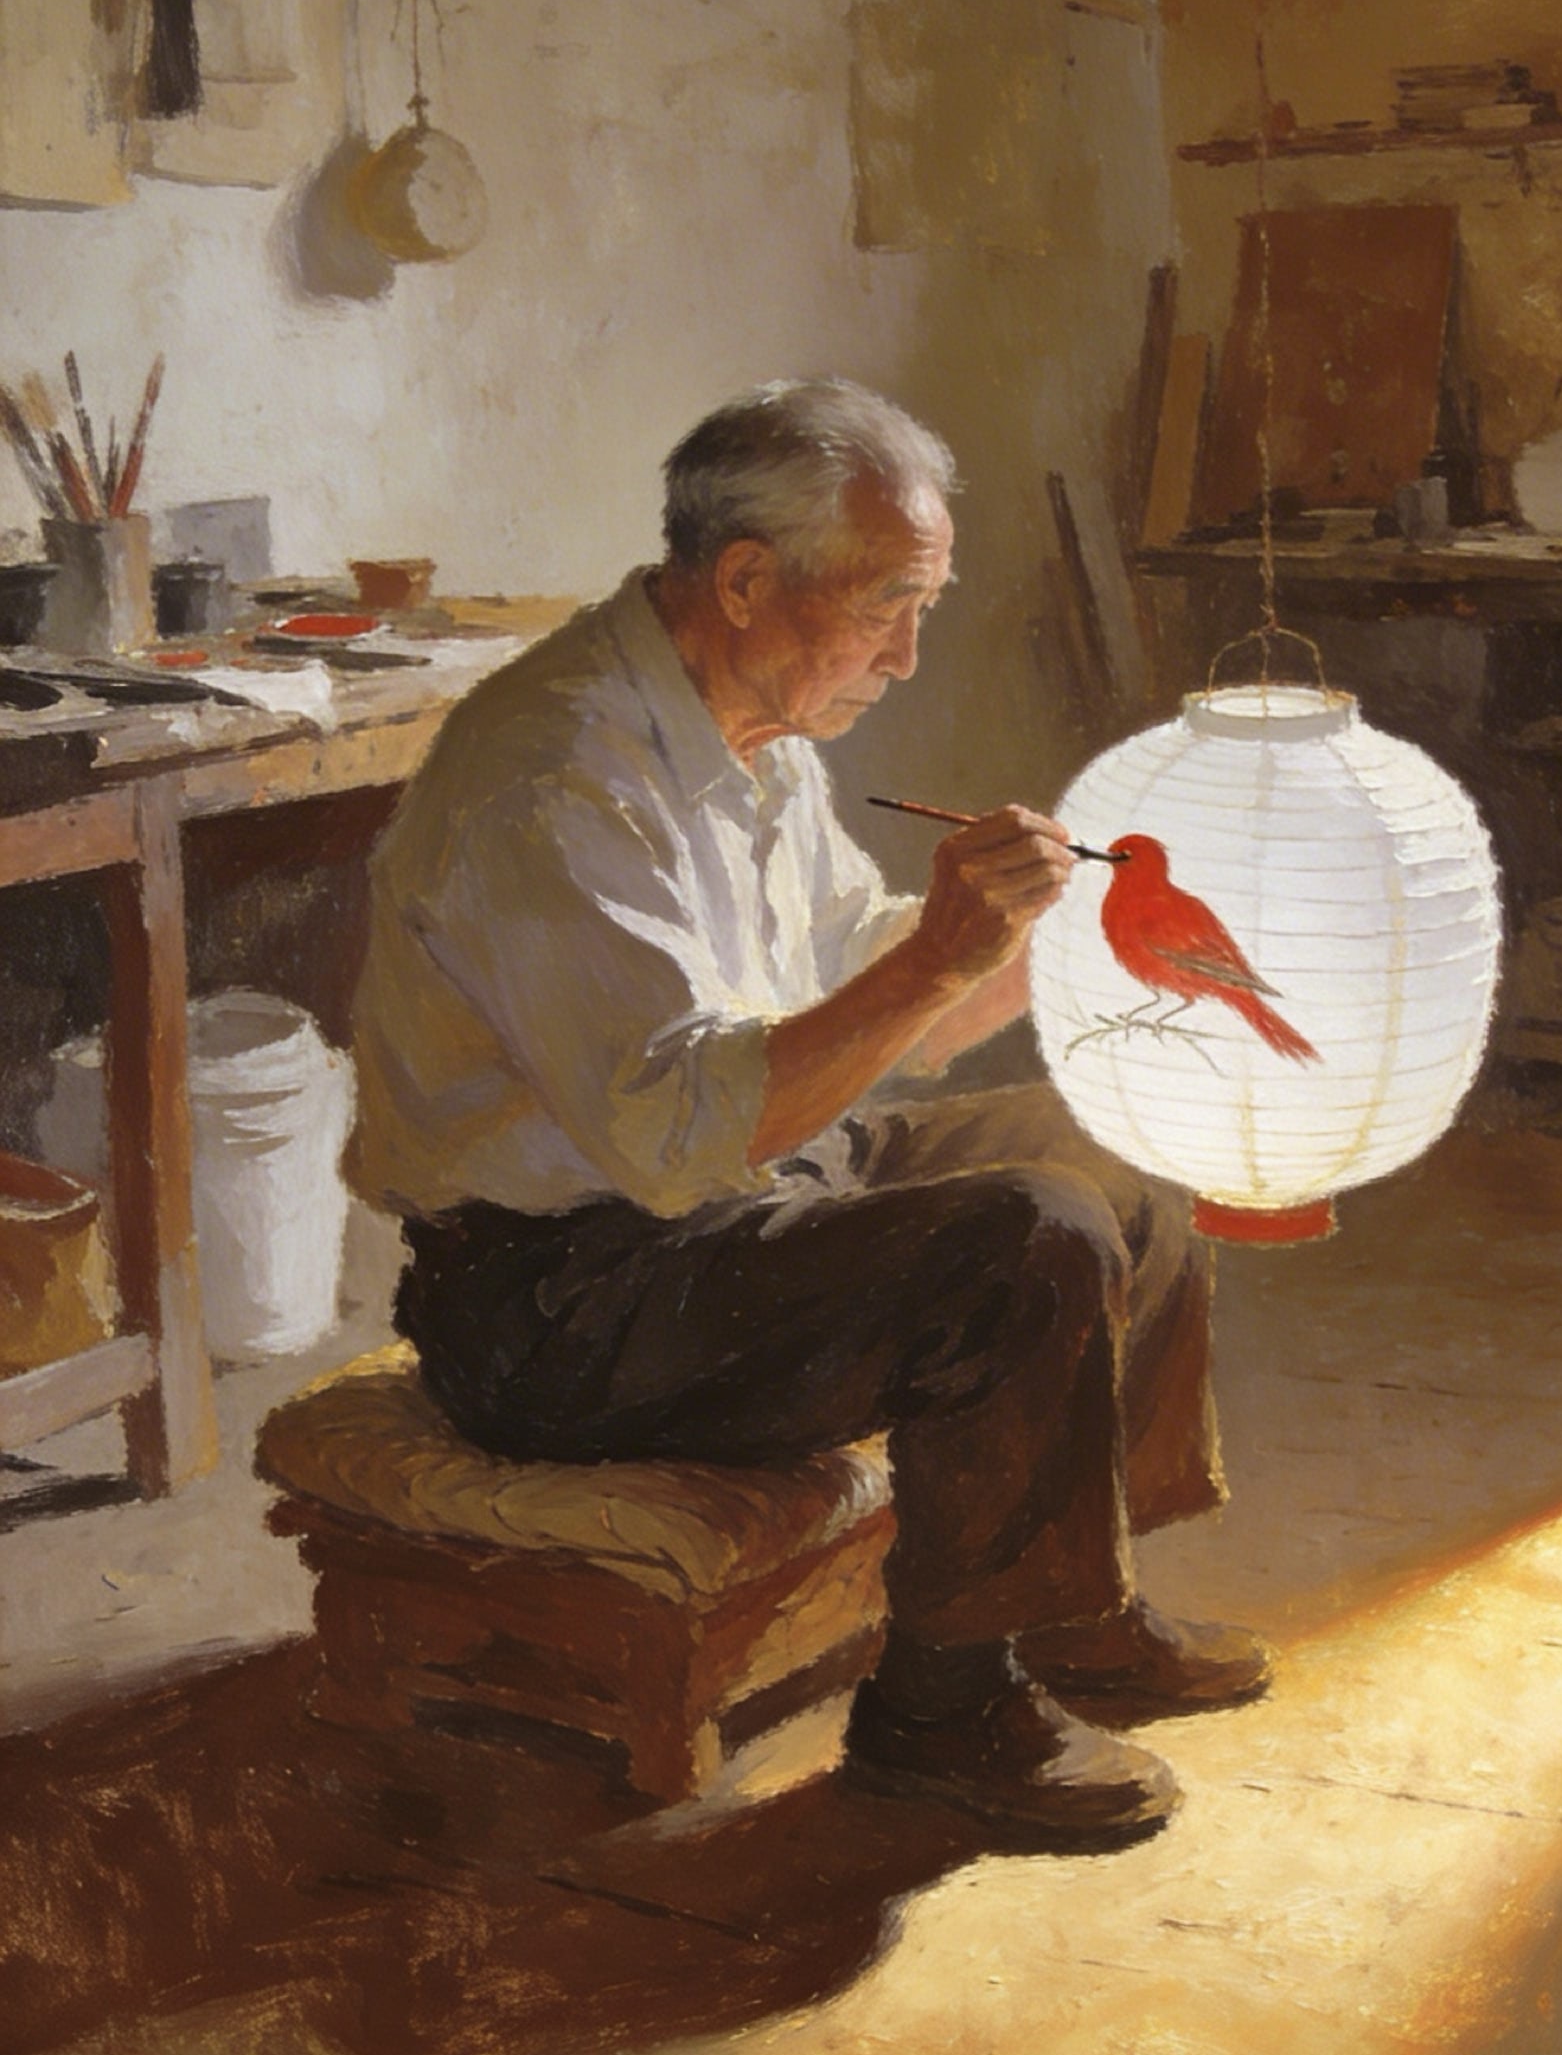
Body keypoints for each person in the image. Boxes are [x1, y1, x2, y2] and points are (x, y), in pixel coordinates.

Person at [347, 378, 1267, 1849]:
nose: (908, 658)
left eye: (928, 607)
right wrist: (939, 955)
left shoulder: (757, 737)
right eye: (888, 606)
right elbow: (675, 1130)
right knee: (1021, 1241)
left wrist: (1048, 938)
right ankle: (944, 1722)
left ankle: (1080, 1609)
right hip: (561, 1294)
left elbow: (869, 1012)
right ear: (745, 580)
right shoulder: (554, 774)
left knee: (1120, 1139)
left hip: (740, 1188)